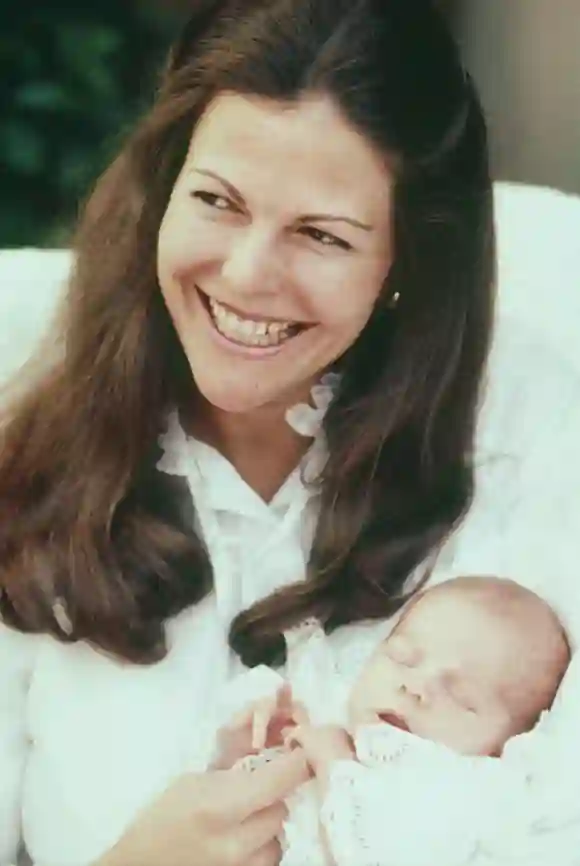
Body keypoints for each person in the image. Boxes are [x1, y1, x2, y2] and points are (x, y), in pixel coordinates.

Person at [0, 1, 579, 865]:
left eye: (320, 235)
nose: (245, 275)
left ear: (407, 260)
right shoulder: (29, 461)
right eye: (216, 201)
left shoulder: (531, 440)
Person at [214, 576, 570, 864]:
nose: (415, 687)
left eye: (461, 698)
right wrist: (245, 748)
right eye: (403, 659)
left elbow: (372, 851)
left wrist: (333, 763)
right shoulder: (329, 705)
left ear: (505, 745)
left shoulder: (455, 791)